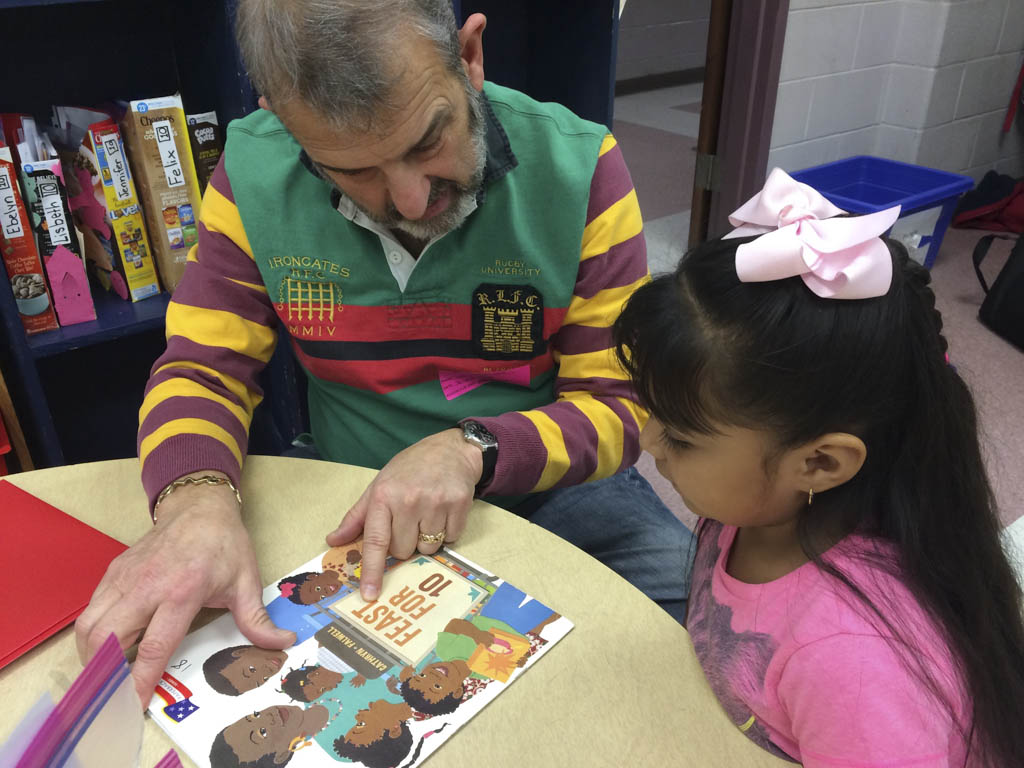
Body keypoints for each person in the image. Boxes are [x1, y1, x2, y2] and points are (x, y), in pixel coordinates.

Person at [75, 0, 693, 704]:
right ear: (281, 116)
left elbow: (616, 407)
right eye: (351, 170)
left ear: (469, 56)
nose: (409, 197)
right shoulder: (250, 173)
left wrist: (471, 449)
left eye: (429, 139)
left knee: (687, 623)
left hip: (544, 482)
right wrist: (193, 503)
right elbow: (201, 368)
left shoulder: (580, 164)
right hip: (347, 484)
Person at [611, 168, 1024, 766]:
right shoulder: (754, 509)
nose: (648, 441)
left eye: (679, 434)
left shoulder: (856, 667)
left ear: (821, 462)